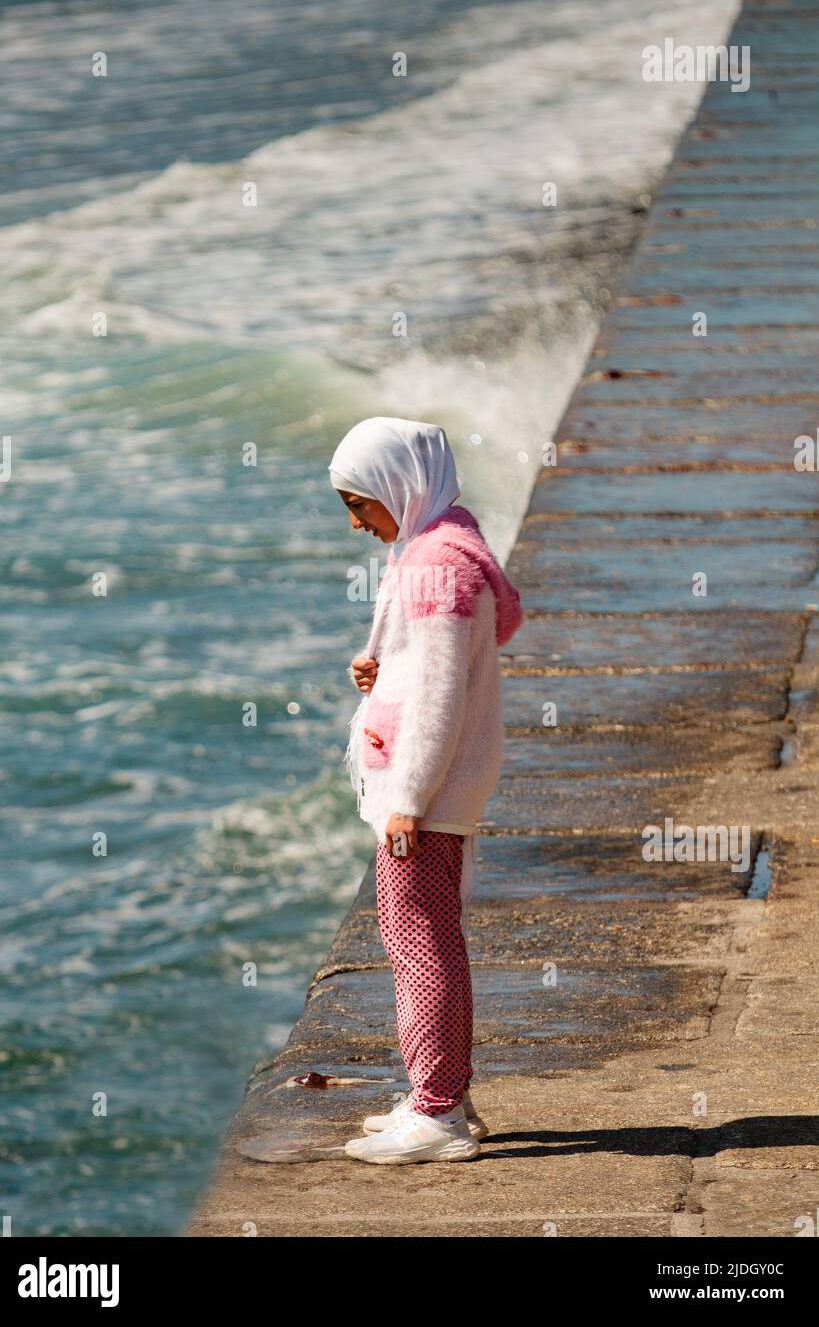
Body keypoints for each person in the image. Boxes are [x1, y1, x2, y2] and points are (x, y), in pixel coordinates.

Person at [328, 416, 524, 1165]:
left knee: (420, 944)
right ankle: (443, 1095)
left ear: (395, 488)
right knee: (427, 936)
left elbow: (442, 695)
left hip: (429, 792)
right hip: (440, 786)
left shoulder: (437, 567)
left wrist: (406, 797)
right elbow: (444, 663)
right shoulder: (448, 542)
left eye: (359, 503)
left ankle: (437, 1112)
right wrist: (386, 668)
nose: (355, 522)